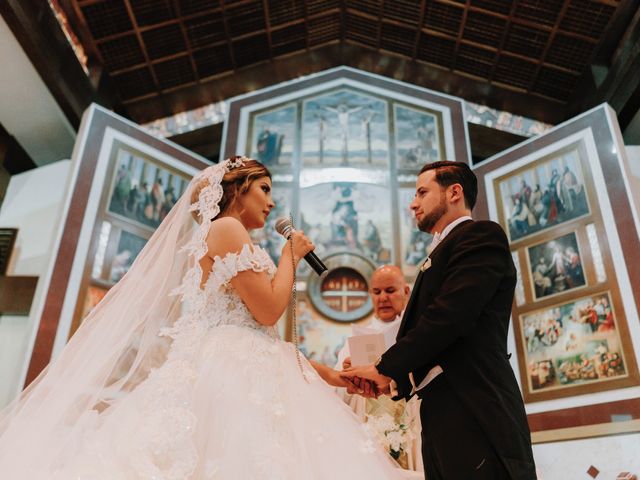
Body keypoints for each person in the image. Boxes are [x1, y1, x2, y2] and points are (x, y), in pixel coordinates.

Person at [0, 156, 404, 479]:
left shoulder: (234, 236)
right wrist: (289, 257)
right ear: (237, 190)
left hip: (248, 359)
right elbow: (268, 311)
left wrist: (332, 376)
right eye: (264, 189)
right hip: (231, 373)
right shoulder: (227, 228)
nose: (272, 201)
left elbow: (266, 340)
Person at [342, 161, 536, 479]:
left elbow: (447, 318)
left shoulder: (480, 236)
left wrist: (382, 368)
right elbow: (426, 330)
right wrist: (388, 375)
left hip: (474, 406)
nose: (413, 203)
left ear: (454, 192)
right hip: (442, 409)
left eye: (421, 192)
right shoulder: (443, 250)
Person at [336, 265, 423, 474]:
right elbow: (339, 388)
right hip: (367, 423)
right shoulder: (357, 337)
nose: (383, 297)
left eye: (390, 291)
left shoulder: (419, 334)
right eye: (377, 292)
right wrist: (348, 371)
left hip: (413, 421)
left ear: (406, 291)